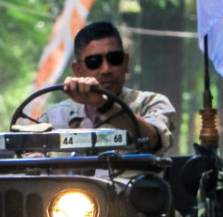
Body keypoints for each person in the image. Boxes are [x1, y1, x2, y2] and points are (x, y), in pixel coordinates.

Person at [42, 21, 179, 155]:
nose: (106, 69)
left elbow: (152, 140)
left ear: (126, 63)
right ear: (77, 69)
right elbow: (27, 159)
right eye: (94, 62)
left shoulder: (150, 103)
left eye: (115, 59)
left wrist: (104, 104)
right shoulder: (54, 117)